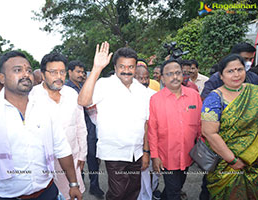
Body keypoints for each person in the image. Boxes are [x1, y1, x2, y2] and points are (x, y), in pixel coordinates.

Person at [0, 51, 82, 200]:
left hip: (48, 192)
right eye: (18, 70)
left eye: (29, 70)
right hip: (6, 197)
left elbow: (62, 148)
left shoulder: (46, 109)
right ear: (2, 77)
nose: (26, 74)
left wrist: (73, 184)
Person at [78, 42, 150, 200]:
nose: (126, 71)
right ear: (116, 67)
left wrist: (145, 152)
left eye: (130, 67)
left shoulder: (142, 91)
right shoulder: (104, 85)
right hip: (114, 152)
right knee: (118, 193)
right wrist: (97, 68)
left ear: (135, 67)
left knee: (133, 191)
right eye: (122, 66)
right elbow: (83, 101)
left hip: (136, 153)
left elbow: (146, 123)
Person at [30, 52, 87, 199]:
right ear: (43, 75)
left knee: (73, 194)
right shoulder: (31, 98)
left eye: (62, 72)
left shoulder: (72, 95)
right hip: (44, 165)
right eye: (53, 72)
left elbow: (80, 125)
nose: (59, 76)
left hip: (72, 160)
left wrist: (82, 154)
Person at [201, 54, 258, 200]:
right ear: (221, 75)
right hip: (227, 165)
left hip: (254, 161)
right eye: (230, 71)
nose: (236, 74)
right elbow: (209, 133)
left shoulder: (254, 92)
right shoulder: (214, 98)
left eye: (239, 69)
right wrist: (232, 160)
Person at [148, 59, 202, 200]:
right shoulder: (155, 99)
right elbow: (152, 130)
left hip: (188, 154)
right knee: (174, 192)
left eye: (178, 73)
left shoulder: (194, 96)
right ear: (163, 78)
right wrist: (155, 156)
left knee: (177, 186)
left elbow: (200, 124)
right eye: (170, 74)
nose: (175, 77)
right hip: (166, 156)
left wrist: (203, 147)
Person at [66, 60, 105, 198]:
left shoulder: (85, 86)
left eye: (83, 72)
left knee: (93, 159)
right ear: (69, 72)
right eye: (78, 71)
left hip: (90, 127)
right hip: (75, 130)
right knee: (77, 159)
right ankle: (78, 184)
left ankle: (95, 185)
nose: (81, 74)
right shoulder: (65, 89)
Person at [134, 65, 159, 200]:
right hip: (133, 144)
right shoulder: (128, 95)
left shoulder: (154, 95)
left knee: (150, 173)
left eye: (146, 78)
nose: (144, 81)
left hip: (151, 142)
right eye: (140, 78)